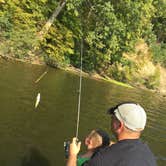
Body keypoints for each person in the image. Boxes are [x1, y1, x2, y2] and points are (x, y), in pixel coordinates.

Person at [66, 102, 157, 166]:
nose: (111, 120)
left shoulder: (103, 159)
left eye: (113, 118)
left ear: (119, 125)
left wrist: (72, 154)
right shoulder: (149, 155)